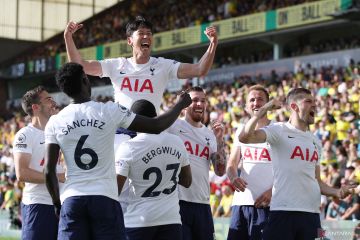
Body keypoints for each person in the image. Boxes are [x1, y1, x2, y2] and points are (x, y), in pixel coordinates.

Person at [43, 62, 191, 240]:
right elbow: (156, 125)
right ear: (85, 80)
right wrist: (180, 105)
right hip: (105, 197)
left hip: (73, 198)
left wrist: (57, 203)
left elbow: (48, 170)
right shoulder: (109, 110)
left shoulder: (55, 122)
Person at [238, 87, 355, 240]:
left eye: (314, 102)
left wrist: (337, 192)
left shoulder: (316, 141)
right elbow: (245, 137)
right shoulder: (278, 130)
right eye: (308, 102)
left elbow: (317, 181)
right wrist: (263, 109)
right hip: (283, 212)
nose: (315, 105)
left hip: (311, 214)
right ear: (294, 106)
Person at [64, 16, 217, 113]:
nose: (146, 36)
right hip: (121, 134)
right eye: (141, 33)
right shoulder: (116, 65)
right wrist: (68, 37)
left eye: (149, 34)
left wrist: (213, 44)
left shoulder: (163, 65)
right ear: (129, 40)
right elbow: (79, 66)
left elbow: (199, 69)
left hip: (150, 132)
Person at [116, 99, 192, 240]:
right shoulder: (176, 141)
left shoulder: (129, 147)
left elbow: (116, 189)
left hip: (139, 221)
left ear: (134, 120)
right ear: (155, 116)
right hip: (171, 220)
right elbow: (187, 181)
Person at [167, 86, 227, 240]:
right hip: (177, 202)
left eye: (203, 101)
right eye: (194, 100)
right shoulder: (173, 126)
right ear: (185, 104)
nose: (199, 104)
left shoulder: (210, 134)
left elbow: (220, 171)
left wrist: (220, 141)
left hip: (202, 203)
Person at [13, 86, 65, 240]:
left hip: (63, 202)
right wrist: (57, 177)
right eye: (48, 99)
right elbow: (21, 173)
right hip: (38, 205)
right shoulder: (25, 134)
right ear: (35, 107)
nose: (54, 102)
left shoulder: (59, 131)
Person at [226, 85, 274, 239]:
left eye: (260, 99)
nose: (256, 103)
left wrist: (273, 191)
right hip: (241, 203)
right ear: (246, 106)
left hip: (268, 204)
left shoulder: (278, 129)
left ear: (268, 104)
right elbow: (232, 163)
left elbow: (289, 170)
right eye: (252, 100)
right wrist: (233, 177)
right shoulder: (241, 129)